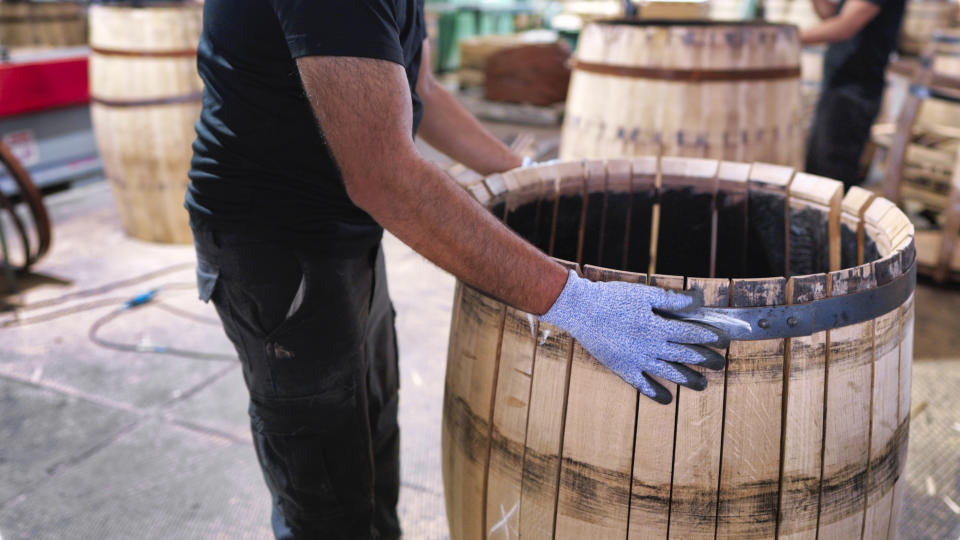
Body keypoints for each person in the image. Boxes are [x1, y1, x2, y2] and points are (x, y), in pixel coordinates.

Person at [185, 1, 727, 538]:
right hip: (274, 241)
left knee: (369, 426)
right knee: (324, 477)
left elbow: (421, 90)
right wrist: (573, 300)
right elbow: (384, 177)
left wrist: (526, 175)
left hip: (348, 229)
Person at [802, 0, 907, 188]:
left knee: (832, 175)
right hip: (839, 85)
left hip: (856, 90)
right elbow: (832, 16)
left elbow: (844, 27)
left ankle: (833, 218)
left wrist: (788, 36)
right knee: (817, 168)